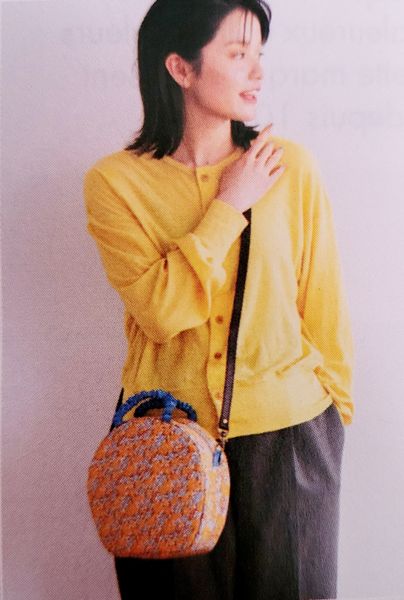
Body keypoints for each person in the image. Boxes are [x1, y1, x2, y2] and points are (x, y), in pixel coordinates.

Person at [83, 1, 354, 598]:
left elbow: (324, 305)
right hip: (165, 442)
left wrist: (334, 417)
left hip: (290, 437)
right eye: (238, 54)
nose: (258, 72)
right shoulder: (116, 184)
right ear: (180, 68)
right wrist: (230, 205)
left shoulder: (290, 168)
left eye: (260, 54)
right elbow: (162, 311)